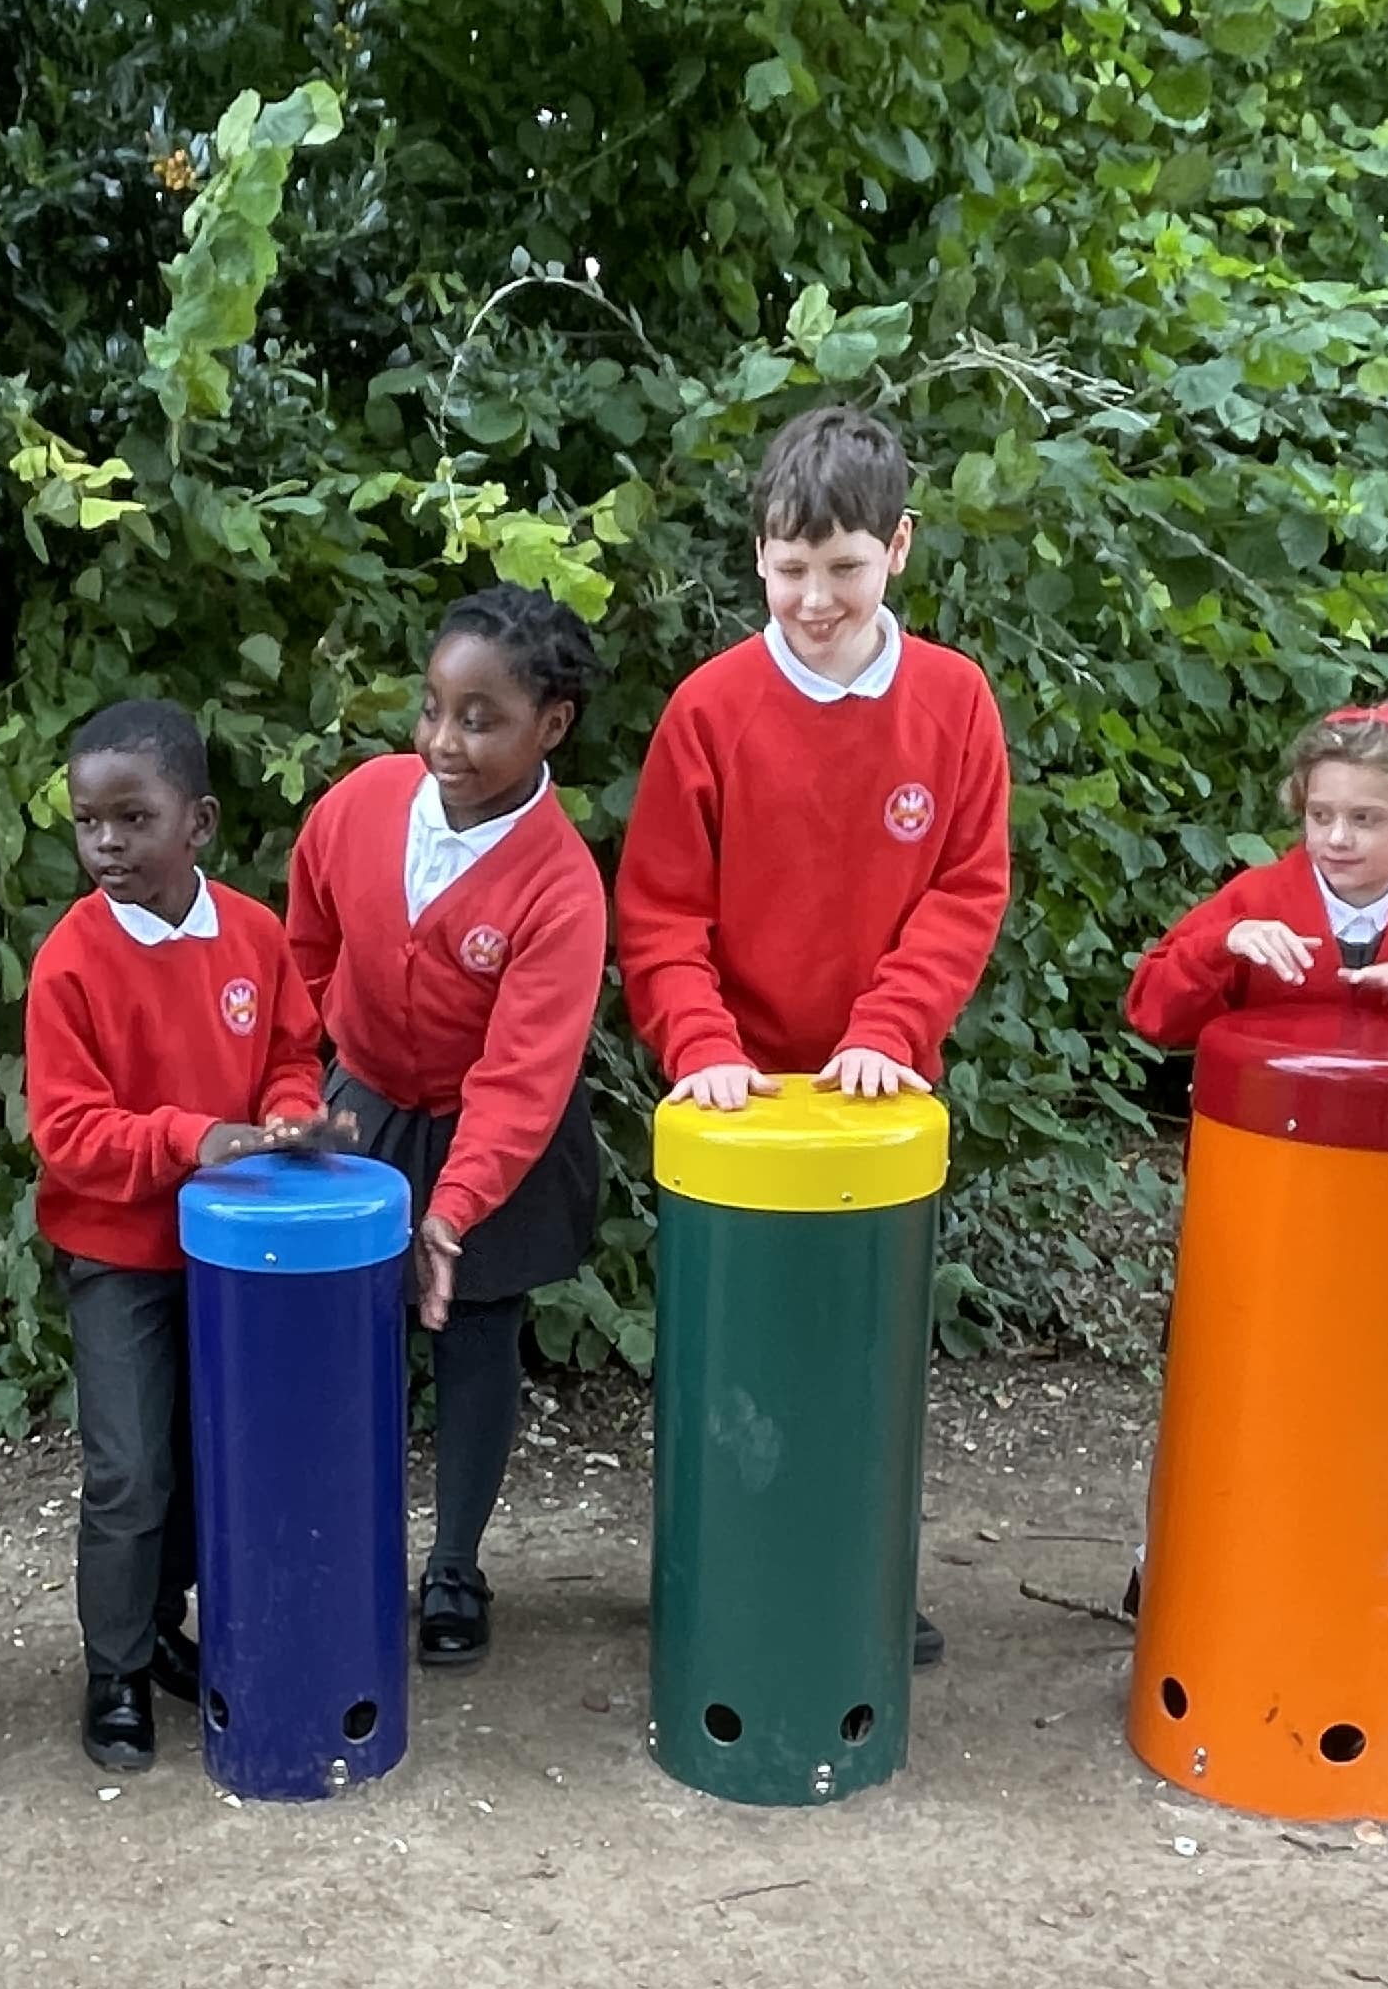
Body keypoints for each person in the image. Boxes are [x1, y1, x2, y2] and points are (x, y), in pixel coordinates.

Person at [613, 402, 1012, 1665]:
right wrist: (702, 1047)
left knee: (866, 1361)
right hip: (733, 1100)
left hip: (879, 1099)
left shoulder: (954, 703)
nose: (817, 599)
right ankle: (719, 1578)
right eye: (793, 570)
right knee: (729, 1360)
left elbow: (966, 888)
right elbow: (662, 909)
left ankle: (859, 1583)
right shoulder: (710, 709)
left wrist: (892, 1028)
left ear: (898, 548)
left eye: (844, 568)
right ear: (759, 560)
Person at [287, 585, 611, 1671]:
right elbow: (307, 944)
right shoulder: (363, 802)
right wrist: (319, 1073)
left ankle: (457, 1563)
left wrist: (453, 1211)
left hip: (497, 1139)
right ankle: (354, 1544)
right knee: (349, 1335)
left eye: (481, 719)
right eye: (434, 708)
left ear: (550, 725)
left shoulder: (561, 885)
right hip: (366, 1107)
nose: (444, 741)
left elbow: (522, 1079)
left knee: (474, 1337)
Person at [24, 697, 339, 1772]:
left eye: (132, 819)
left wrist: (290, 1112)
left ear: (196, 822)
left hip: (238, 1253)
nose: (105, 844)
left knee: (213, 1460)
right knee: (130, 1470)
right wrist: (197, 1139)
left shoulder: (252, 933)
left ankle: (163, 1630)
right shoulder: (69, 963)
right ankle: (112, 1672)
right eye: (86, 823)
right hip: (119, 1256)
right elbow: (67, 1136)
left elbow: (294, 1051)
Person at [1123, 699, 1388, 1044]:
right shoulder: (1257, 898)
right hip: (1271, 1120)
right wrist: (1222, 946)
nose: (1337, 838)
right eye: (1320, 816)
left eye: (1364, 819)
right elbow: (1153, 1015)